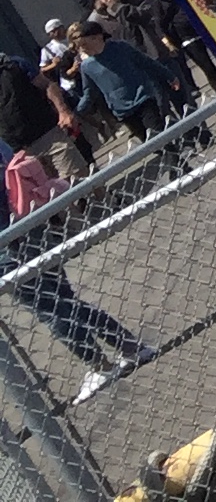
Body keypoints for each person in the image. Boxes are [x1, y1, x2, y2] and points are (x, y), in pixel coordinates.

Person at [3, 138, 155, 402]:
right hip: (27, 223)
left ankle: (101, 365)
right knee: (64, 300)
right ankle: (129, 346)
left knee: (51, 309)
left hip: (7, 244)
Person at [65, 26, 177, 151]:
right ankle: (174, 156)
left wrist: (169, 76)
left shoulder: (120, 47)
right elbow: (89, 93)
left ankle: (177, 158)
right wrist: (76, 113)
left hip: (143, 99)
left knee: (158, 137)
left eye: (84, 44)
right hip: (122, 110)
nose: (82, 49)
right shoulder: (87, 66)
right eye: (80, 47)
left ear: (97, 37)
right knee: (150, 146)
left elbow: (146, 62)